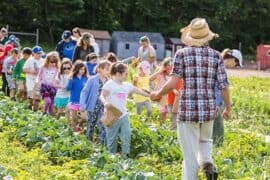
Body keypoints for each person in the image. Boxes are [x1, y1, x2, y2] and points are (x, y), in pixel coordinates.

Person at [150, 18, 231, 180]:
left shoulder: (182, 54)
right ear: (207, 36)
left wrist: (157, 94)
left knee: (190, 156)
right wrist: (228, 107)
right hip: (209, 110)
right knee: (205, 141)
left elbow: (172, 82)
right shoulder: (216, 56)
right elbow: (224, 85)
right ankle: (207, 164)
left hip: (188, 111)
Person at [100, 62, 150, 158]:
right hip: (112, 116)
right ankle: (111, 158)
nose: (127, 75)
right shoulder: (109, 84)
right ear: (118, 74)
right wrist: (105, 103)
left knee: (127, 135)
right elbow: (102, 96)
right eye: (126, 74)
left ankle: (125, 156)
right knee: (111, 139)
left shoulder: (127, 85)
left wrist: (150, 95)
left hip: (123, 115)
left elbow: (139, 91)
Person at [80, 60, 111, 145]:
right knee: (91, 126)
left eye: (109, 69)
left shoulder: (109, 81)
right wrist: (82, 107)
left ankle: (102, 145)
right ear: (100, 69)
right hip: (92, 107)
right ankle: (88, 144)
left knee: (102, 125)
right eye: (106, 69)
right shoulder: (92, 80)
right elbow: (84, 92)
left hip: (103, 108)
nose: (108, 71)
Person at [66, 60, 88, 132]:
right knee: (74, 118)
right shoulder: (73, 78)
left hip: (83, 101)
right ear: (77, 69)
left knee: (84, 118)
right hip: (74, 100)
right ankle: (74, 131)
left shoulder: (86, 78)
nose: (82, 71)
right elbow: (68, 88)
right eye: (81, 69)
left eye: (84, 69)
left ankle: (79, 125)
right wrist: (70, 81)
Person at [150, 57, 172, 126]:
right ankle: (161, 124)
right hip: (160, 95)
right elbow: (151, 78)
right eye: (167, 68)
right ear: (164, 67)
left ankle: (163, 124)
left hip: (168, 96)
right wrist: (160, 71)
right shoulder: (161, 74)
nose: (169, 70)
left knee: (166, 111)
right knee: (163, 111)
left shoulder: (173, 77)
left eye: (171, 68)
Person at [23, 45, 45, 111]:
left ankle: (35, 110)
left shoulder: (43, 61)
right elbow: (24, 69)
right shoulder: (30, 60)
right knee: (30, 94)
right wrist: (30, 71)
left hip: (38, 80)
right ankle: (30, 105)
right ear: (33, 53)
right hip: (30, 79)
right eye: (38, 53)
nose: (39, 54)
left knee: (37, 95)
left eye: (40, 53)